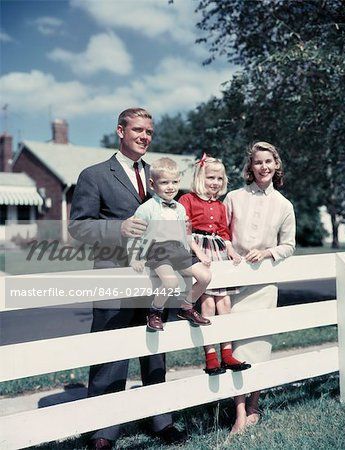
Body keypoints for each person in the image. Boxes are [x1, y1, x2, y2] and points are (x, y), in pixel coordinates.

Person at [69, 108, 185, 450]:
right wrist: (116, 228)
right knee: (110, 350)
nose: (145, 136)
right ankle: (104, 430)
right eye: (138, 129)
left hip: (155, 277)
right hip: (113, 275)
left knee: (155, 350)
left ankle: (160, 420)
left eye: (149, 131)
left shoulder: (158, 175)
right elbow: (78, 226)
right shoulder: (94, 175)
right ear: (120, 131)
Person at [224, 141, 296, 435]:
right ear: (250, 167)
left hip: (265, 285)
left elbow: (289, 246)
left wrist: (267, 253)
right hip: (233, 283)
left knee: (259, 346)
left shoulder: (284, 204)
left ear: (276, 165)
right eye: (257, 162)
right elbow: (219, 233)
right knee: (236, 346)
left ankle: (254, 406)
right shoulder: (233, 197)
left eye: (269, 161)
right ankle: (239, 412)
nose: (263, 167)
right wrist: (229, 249)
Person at [179, 154, 251, 375]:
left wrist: (230, 250)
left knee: (225, 304)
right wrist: (198, 252)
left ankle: (227, 353)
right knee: (208, 304)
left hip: (218, 252)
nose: (215, 182)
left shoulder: (220, 206)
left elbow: (223, 231)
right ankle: (211, 356)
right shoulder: (188, 200)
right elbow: (184, 229)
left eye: (219, 179)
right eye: (211, 177)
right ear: (200, 177)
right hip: (200, 251)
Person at [129, 157, 212, 331]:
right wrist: (134, 258)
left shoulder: (180, 208)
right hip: (158, 251)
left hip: (179, 251)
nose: (170, 187)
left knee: (205, 277)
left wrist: (196, 252)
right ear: (152, 184)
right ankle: (155, 311)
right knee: (171, 283)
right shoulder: (147, 208)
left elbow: (185, 234)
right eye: (165, 182)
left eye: (174, 182)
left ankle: (187, 307)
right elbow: (134, 234)